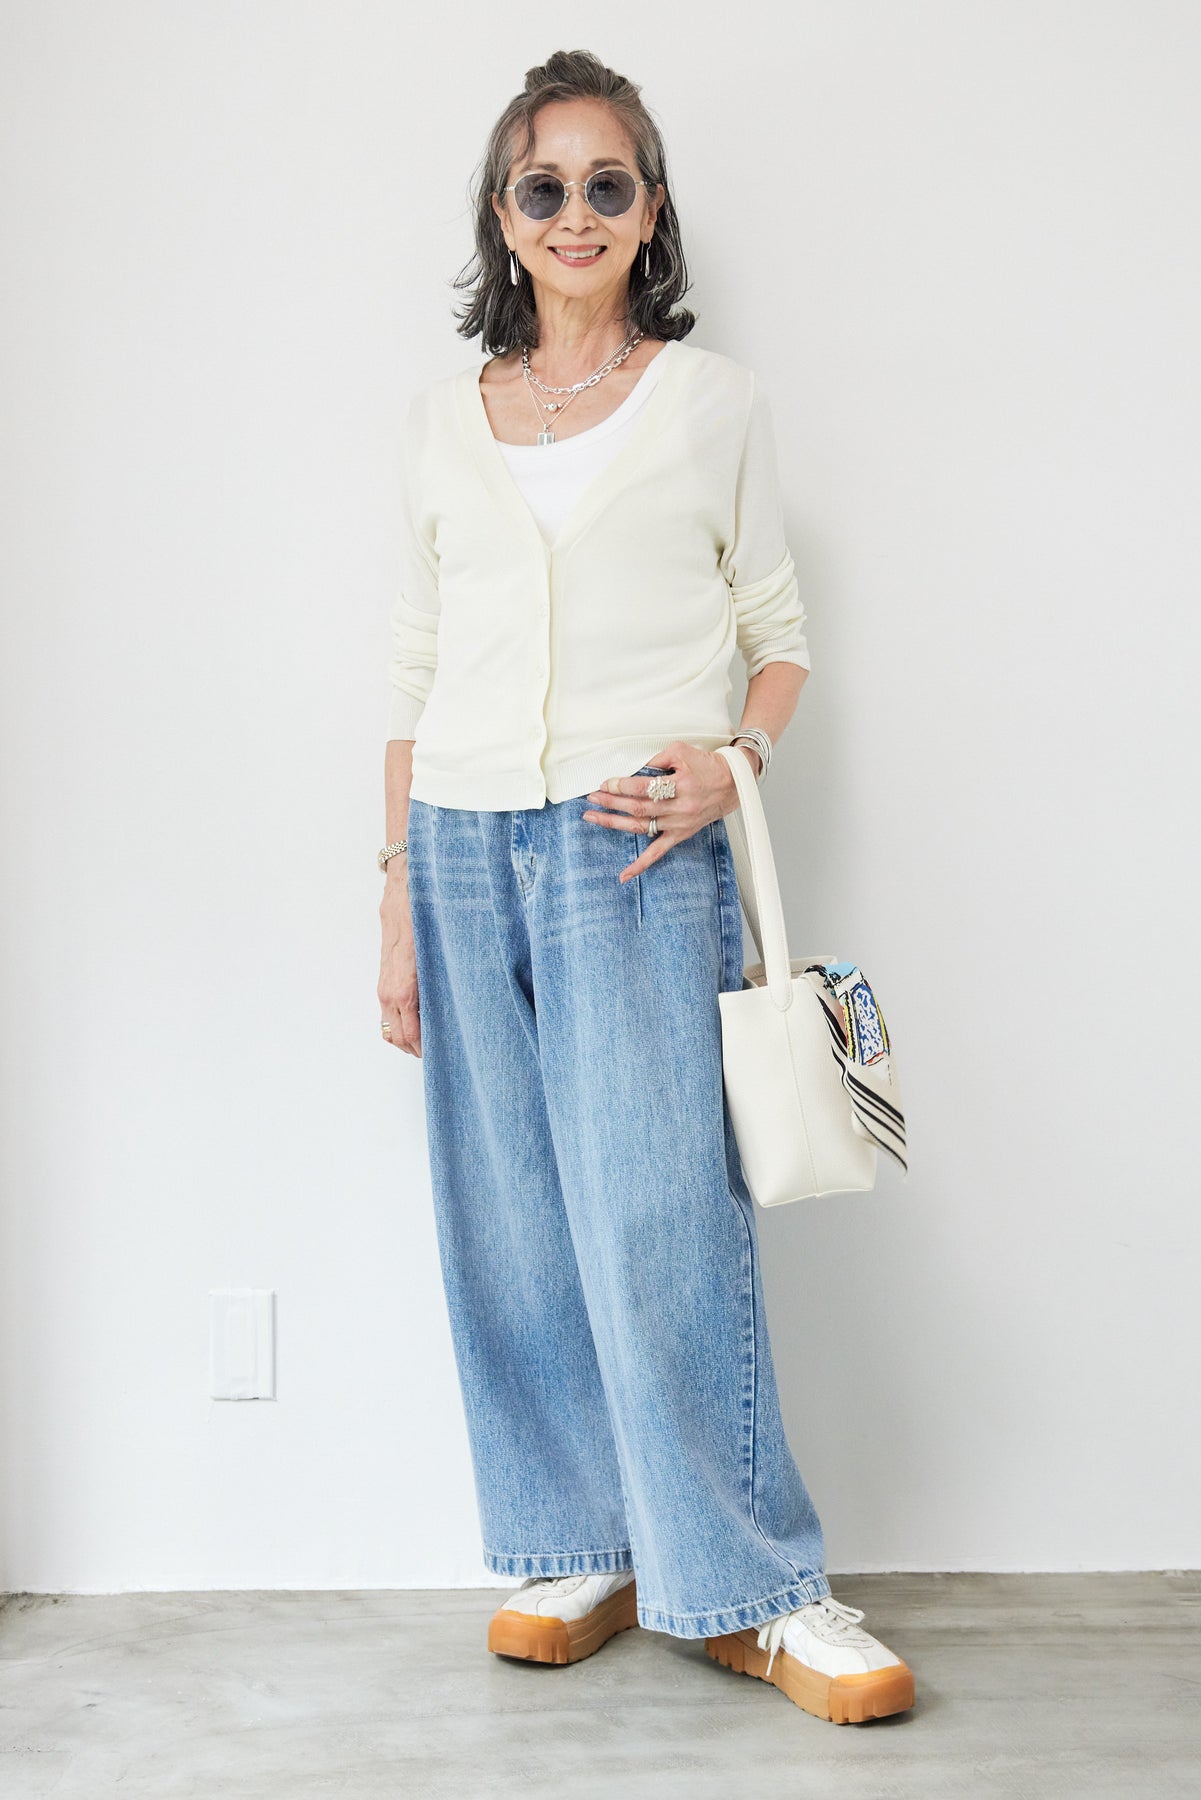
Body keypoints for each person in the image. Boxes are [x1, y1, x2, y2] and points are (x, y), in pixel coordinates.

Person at [376, 48, 915, 1727]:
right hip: (459, 841)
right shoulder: (438, 422)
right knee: (508, 1219)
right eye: (543, 186)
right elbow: (413, 668)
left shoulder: (712, 403)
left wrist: (729, 763)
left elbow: (779, 638)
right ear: (503, 213)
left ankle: (756, 1584)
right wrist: (393, 898)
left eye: (606, 185)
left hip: (634, 841)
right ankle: (579, 1543)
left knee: (659, 1219)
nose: (575, 213)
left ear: (649, 210)